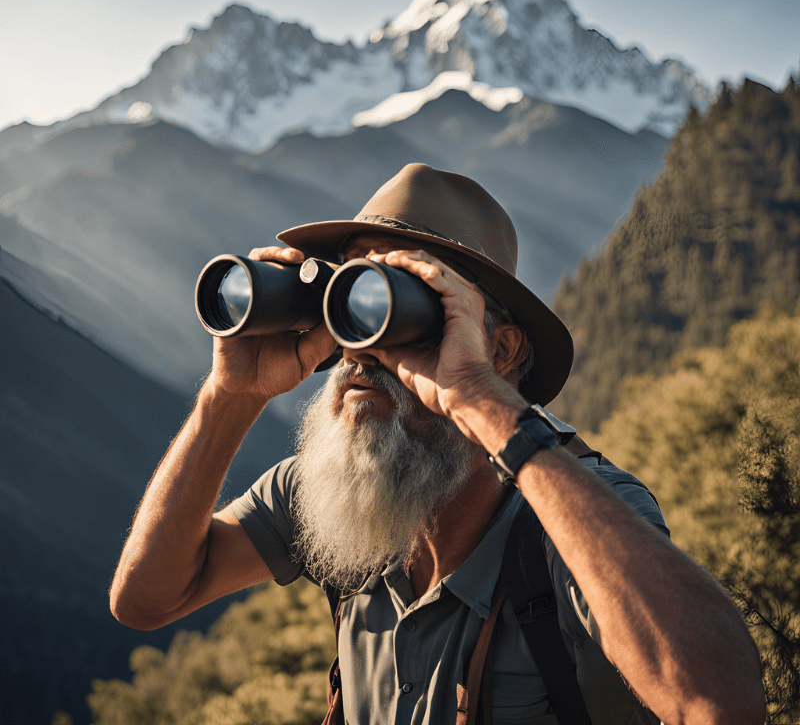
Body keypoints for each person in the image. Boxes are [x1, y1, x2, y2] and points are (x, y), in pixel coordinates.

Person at [111, 164, 765, 724]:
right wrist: (231, 395)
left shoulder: (577, 521)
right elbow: (146, 599)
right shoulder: (330, 493)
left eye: (390, 308)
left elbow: (722, 702)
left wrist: (483, 398)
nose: (360, 350)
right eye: (346, 302)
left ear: (501, 348)